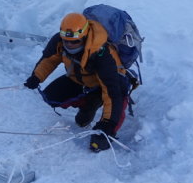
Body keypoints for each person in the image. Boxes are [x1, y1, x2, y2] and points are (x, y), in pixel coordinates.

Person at [22, 12, 131, 151]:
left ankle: (99, 106)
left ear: (84, 36)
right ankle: (90, 100)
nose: (69, 44)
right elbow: (50, 59)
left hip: (113, 83)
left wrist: (108, 124)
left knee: (115, 100)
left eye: (74, 41)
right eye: (66, 41)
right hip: (82, 79)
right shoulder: (60, 40)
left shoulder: (101, 53)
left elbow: (112, 91)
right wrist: (36, 77)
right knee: (50, 98)